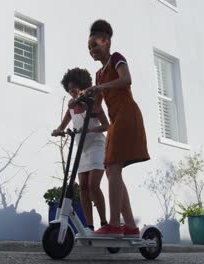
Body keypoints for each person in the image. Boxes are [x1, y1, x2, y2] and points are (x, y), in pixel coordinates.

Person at [85, 19, 150, 237]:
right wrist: (80, 101)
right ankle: (130, 226)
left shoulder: (116, 59)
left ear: (107, 41)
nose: (92, 50)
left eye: (95, 45)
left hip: (128, 115)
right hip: (114, 122)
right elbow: (97, 106)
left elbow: (126, 80)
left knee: (113, 169)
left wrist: (100, 87)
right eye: (89, 48)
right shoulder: (98, 74)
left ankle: (114, 224)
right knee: (113, 171)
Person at [52, 68, 109, 231]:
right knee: (83, 186)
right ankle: (89, 226)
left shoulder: (93, 104)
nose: (72, 91)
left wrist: (91, 130)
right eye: (69, 89)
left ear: (83, 86)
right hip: (81, 149)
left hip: (97, 146)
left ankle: (104, 223)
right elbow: (63, 124)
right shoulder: (71, 106)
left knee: (93, 185)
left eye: (75, 87)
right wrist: (59, 130)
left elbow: (106, 125)